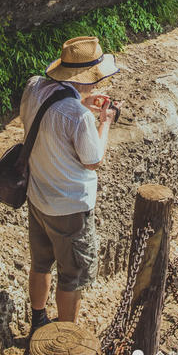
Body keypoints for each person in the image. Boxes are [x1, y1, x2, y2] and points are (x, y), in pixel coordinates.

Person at [19, 35, 120, 337]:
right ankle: (65, 340)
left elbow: (49, 111)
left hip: (38, 197)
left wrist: (82, 101)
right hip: (70, 209)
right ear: (89, 79)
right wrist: (105, 120)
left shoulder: (34, 87)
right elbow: (93, 159)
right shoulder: (77, 116)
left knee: (40, 263)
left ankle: (38, 320)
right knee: (71, 276)